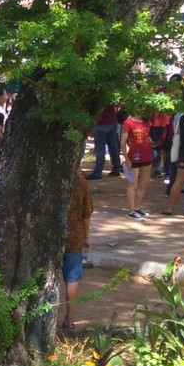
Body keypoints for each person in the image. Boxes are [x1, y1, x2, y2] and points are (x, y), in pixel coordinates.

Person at [62, 173, 92, 330]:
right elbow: (86, 213)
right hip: (75, 235)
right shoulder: (80, 180)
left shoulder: (51, 176)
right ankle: (70, 319)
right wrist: (87, 236)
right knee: (72, 278)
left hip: (51, 235)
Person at [120, 114, 153, 219]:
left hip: (146, 155)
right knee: (133, 185)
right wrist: (127, 159)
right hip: (134, 157)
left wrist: (152, 142)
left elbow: (147, 135)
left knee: (144, 184)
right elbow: (123, 142)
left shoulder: (147, 122)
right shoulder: (128, 123)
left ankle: (138, 207)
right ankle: (131, 210)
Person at [86, 105, 122, 180]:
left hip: (100, 124)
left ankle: (98, 173)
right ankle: (116, 170)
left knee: (100, 150)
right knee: (113, 148)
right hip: (112, 122)